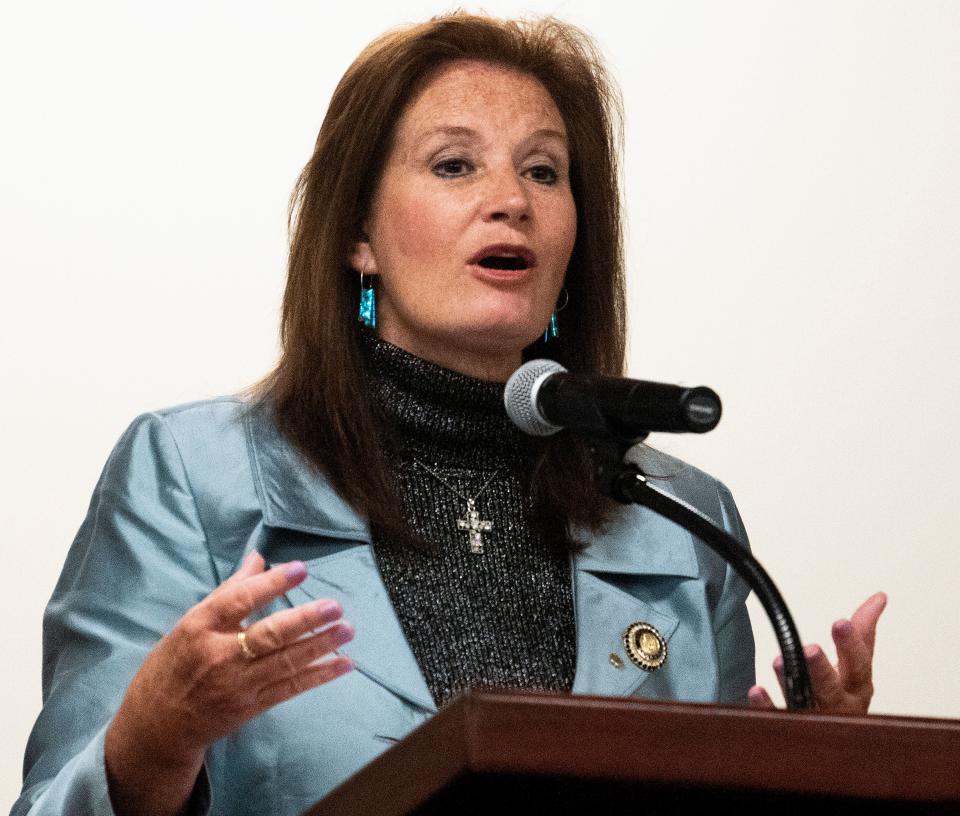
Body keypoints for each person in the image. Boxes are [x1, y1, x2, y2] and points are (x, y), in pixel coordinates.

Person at [13, 12, 885, 816]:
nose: (512, 199)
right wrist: (152, 742)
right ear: (359, 234)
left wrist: (829, 780)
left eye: (544, 171)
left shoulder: (683, 523)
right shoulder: (192, 477)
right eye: (454, 164)